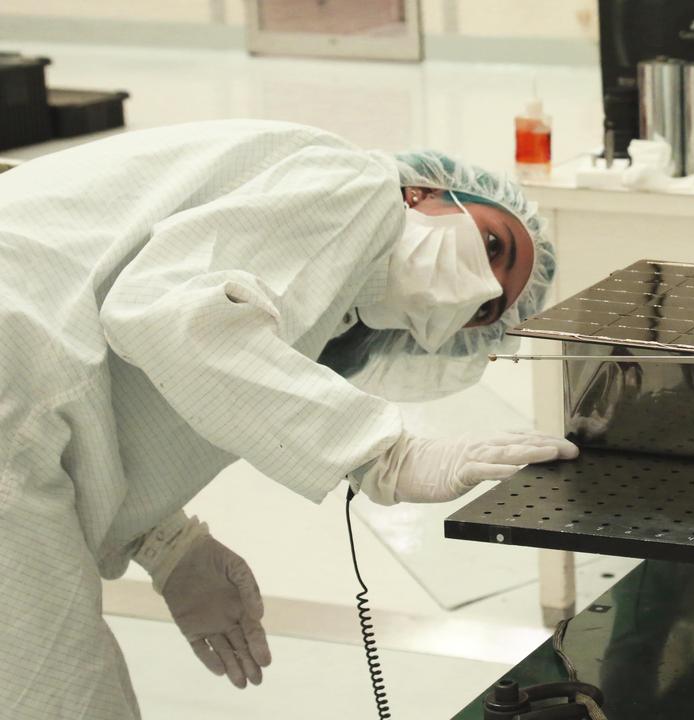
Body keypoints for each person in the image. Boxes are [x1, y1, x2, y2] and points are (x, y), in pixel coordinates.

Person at [0, 119, 577, 719]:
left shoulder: (311, 313)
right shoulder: (357, 189)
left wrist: (166, 543)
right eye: (492, 245)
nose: (477, 284)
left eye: (487, 308)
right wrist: (385, 455)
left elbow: (133, 380)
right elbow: (168, 315)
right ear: (427, 193)